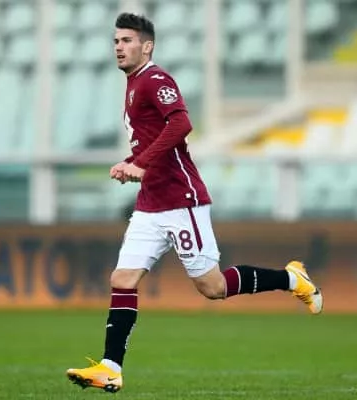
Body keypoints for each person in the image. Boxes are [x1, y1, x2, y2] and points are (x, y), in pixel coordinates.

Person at [66, 12, 323, 393]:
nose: (119, 47)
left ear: (147, 46)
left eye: (127, 40)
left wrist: (140, 163)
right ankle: (111, 368)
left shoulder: (156, 80)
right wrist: (131, 163)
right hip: (150, 204)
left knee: (212, 287)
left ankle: (292, 279)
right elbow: (151, 138)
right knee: (122, 279)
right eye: (116, 41)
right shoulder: (134, 84)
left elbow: (181, 124)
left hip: (180, 200)